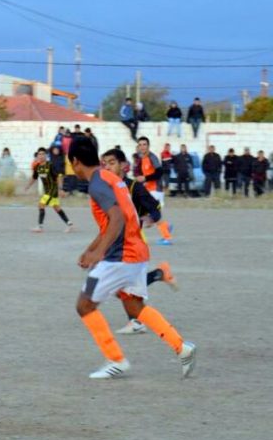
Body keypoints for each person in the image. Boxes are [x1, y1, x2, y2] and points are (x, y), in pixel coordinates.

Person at [67, 136, 196, 380]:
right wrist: (92, 247)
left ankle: (116, 359)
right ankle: (182, 347)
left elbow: (116, 219)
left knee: (84, 305)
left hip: (120, 257)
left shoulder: (97, 184)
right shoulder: (112, 179)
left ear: (75, 161)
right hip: (136, 252)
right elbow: (113, 222)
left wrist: (97, 252)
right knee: (134, 306)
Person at [100, 148, 179, 335]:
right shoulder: (105, 188)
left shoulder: (134, 187)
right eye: (105, 163)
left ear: (123, 165)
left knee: (121, 285)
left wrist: (150, 219)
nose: (108, 167)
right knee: (120, 286)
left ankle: (136, 321)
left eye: (112, 163)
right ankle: (159, 275)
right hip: (115, 242)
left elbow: (154, 206)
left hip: (132, 243)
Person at [134, 136, 173, 245]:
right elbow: (146, 174)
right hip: (149, 190)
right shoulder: (142, 159)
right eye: (140, 145)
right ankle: (166, 228)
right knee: (148, 214)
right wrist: (141, 179)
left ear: (148, 146)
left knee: (149, 215)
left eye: (144, 144)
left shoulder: (152, 157)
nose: (142, 147)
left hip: (155, 190)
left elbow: (159, 172)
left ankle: (166, 237)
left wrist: (145, 178)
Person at [25, 147, 73, 233]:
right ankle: (70, 224)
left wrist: (60, 189)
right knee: (56, 208)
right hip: (47, 190)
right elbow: (34, 177)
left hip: (53, 189)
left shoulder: (50, 165)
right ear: (37, 156)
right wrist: (28, 186)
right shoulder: (37, 167)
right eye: (39, 154)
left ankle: (40, 227)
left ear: (46, 156)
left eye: (43, 154)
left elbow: (58, 176)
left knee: (41, 205)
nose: (41, 156)